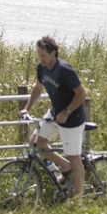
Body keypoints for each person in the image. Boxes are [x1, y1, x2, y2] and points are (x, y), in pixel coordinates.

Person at [20, 36, 87, 197]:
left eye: (43, 55)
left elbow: (82, 93)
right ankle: (64, 166)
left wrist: (67, 112)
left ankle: (78, 203)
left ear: (54, 53)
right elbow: (38, 87)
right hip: (55, 113)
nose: (40, 58)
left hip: (72, 117)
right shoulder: (41, 68)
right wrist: (27, 109)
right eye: (38, 55)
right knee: (36, 142)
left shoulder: (65, 70)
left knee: (75, 159)